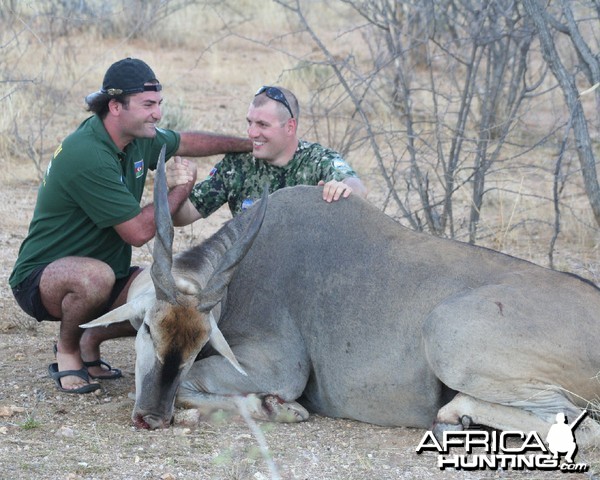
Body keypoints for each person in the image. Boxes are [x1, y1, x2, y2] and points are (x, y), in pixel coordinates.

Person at [9, 58, 251, 394]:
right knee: (94, 278)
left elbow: (187, 142)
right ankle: (67, 350)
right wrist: (179, 189)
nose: (157, 114)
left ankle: (91, 337)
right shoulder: (88, 154)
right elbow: (137, 233)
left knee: (166, 292)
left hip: (110, 273)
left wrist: (250, 145)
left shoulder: (136, 136)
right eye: (148, 105)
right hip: (43, 278)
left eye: (159, 104)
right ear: (115, 106)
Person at [168, 85, 367, 225]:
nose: (252, 133)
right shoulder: (236, 164)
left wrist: (341, 188)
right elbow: (183, 217)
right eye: (250, 123)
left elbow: (357, 188)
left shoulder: (316, 160)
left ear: (290, 126)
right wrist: (179, 189)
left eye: (262, 125)